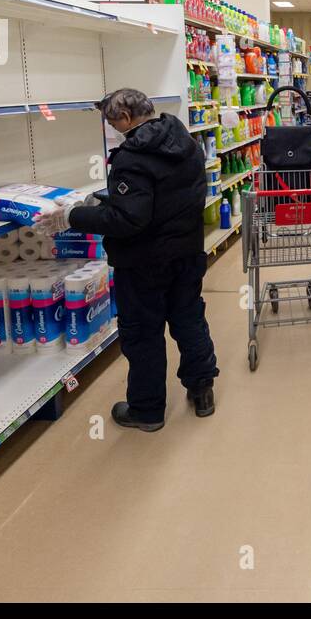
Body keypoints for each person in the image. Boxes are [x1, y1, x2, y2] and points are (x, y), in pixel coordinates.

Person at [36, 89, 218, 432]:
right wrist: (107, 198)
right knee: (189, 319)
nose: (111, 129)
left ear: (126, 118)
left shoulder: (132, 156)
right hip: (187, 253)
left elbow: (129, 220)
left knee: (143, 334)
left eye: (110, 122)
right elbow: (165, 196)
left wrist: (73, 217)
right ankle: (202, 389)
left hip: (145, 262)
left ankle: (147, 411)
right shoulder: (186, 141)